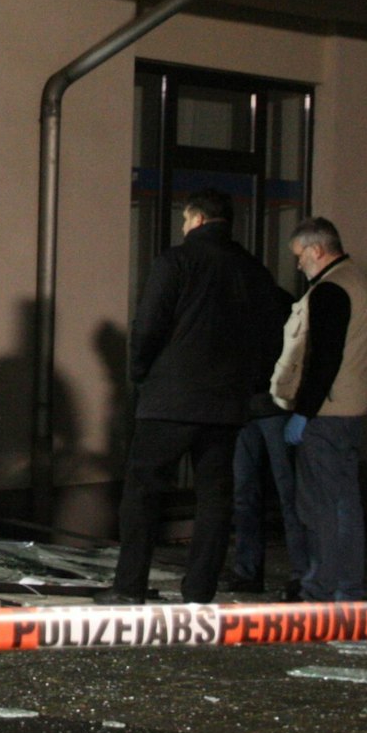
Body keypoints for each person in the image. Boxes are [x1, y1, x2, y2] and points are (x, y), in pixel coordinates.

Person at [104, 189, 279, 605]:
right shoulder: (254, 272)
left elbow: (148, 325)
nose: (183, 227)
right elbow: (271, 335)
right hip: (226, 404)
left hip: (171, 399)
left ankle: (129, 587)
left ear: (197, 219)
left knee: (143, 492)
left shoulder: (176, 262)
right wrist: (249, 384)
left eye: (185, 219)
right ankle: (199, 591)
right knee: (215, 499)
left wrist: (141, 374)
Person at [271, 217, 367, 603]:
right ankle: (345, 587)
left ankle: (322, 586)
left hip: (326, 415)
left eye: (300, 255)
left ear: (317, 250)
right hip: (349, 409)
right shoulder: (358, 283)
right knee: (343, 503)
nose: (298, 263)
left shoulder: (330, 290)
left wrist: (304, 412)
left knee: (320, 507)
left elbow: (323, 358)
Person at [223, 283, 303, 599]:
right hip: (267, 406)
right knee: (284, 493)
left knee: (253, 493)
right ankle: (298, 574)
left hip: (257, 406)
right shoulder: (278, 302)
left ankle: (252, 570)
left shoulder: (236, 304)